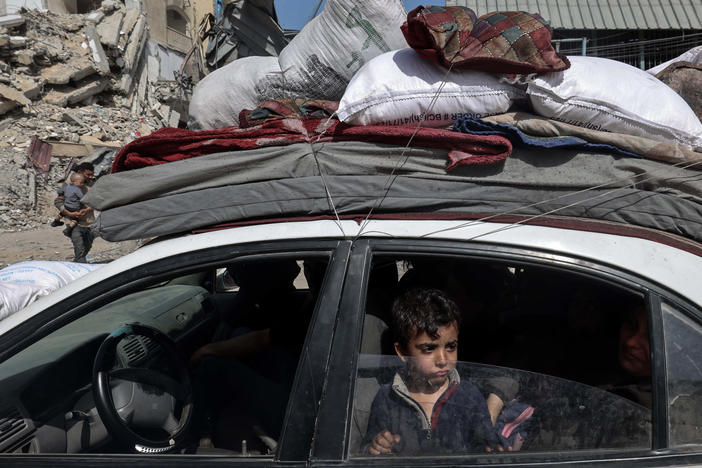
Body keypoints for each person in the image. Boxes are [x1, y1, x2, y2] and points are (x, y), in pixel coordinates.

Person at [363, 288, 497, 455]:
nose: (442, 360)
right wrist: (377, 446)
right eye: (428, 349)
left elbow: (487, 447)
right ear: (403, 353)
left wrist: (495, 450)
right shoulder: (388, 397)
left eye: (451, 347)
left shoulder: (469, 395)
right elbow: (369, 447)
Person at [53, 162, 96, 263]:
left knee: (87, 246)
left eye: (92, 174)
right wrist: (69, 213)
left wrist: (87, 209)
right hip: (73, 222)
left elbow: (97, 202)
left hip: (88, 222)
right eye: (88, 174)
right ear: (80, 172)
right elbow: (58, 201)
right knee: (79, 246)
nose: (91, 177)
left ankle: (77, 263)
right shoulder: (67, 186)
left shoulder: (92, 186)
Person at [59, 172, 87, 238]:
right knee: (76, 219)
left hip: (66, 205)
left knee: (62, 213)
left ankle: (56, 221)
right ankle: (68, 229)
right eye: (81, 182)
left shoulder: (67, 187)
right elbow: (82, 198)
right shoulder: (77, 189)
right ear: (75, 182)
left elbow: (60, 191)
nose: (82, 184)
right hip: (74, 207)